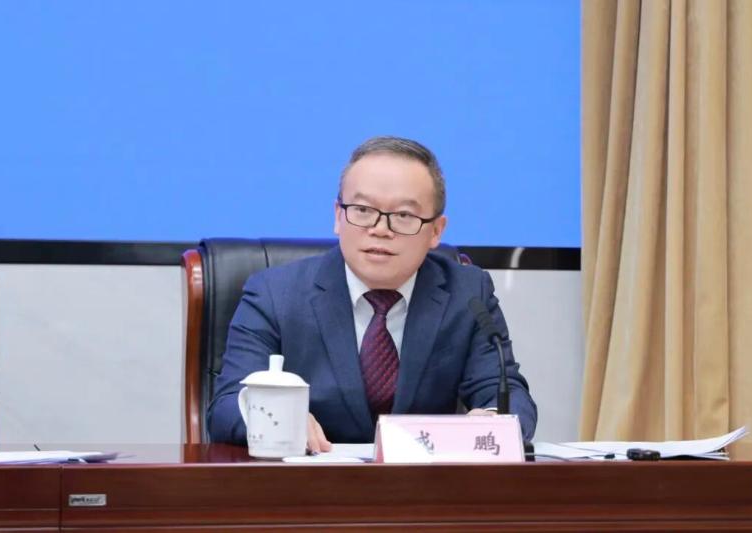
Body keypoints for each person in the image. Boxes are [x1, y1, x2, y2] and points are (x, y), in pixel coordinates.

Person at [208, 136, 537, 451]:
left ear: (436, 231)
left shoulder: (467, 294)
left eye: (404, 216)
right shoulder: (274, 294)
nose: (380, 229)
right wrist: (275, 418)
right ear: (338, 216)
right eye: (363, 210)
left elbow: (507, 393)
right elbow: (226, 405)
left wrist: (492, 420)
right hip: (307, 479)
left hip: (423, 483)